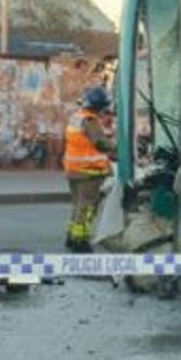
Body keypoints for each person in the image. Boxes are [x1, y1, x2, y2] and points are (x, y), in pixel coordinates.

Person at [62, 86, 115, 252]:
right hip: (88, 172)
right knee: (87, 208)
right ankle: (80, 242)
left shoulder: (76, 117)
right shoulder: (90, 121)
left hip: (74, 170)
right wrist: (117, 145)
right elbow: (100, 143)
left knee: (78, 205)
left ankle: (71, 237)